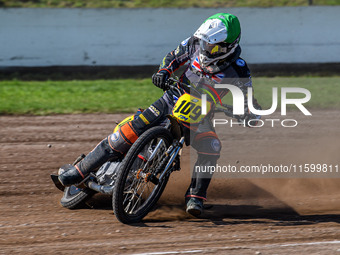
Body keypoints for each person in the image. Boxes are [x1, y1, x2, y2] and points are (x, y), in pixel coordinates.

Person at [58, 13, 261, 216]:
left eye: (212, 47)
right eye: (205, 44)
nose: (206, 49)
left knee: (212, 146)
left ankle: (195, 196)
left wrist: (250, 115)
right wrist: (163, 71)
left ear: (228, 46)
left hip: (202, 116)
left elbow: (248, 100)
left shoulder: (239, 71)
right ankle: (80, 171)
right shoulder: (194, 43)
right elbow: (173, 56)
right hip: (171, 98)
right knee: (129, 130)